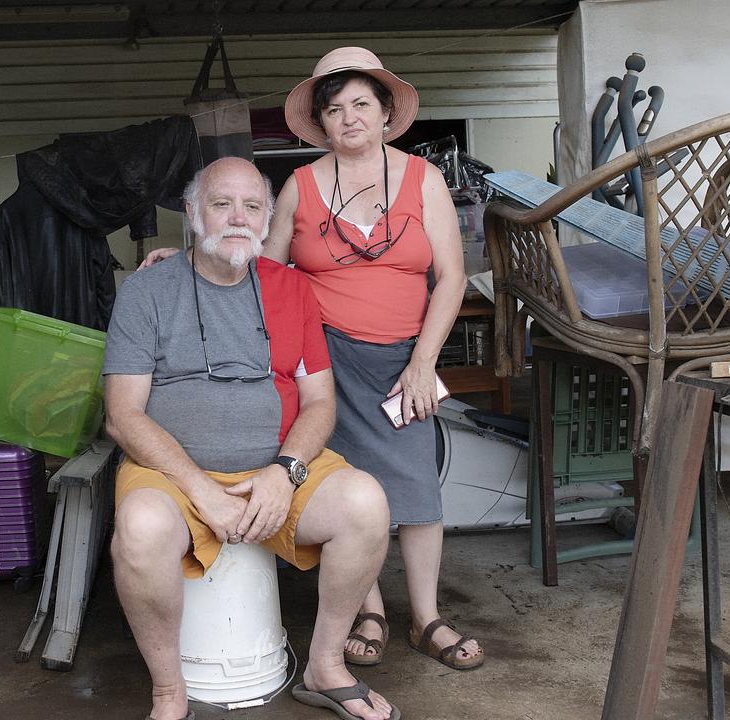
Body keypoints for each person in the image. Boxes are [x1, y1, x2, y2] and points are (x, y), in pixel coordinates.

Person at [143, 47, 482, 670]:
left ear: (386, 114)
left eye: (361, 105)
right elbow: (260, 268)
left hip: (403, 358)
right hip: (323, 363)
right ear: (321, 124)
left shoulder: (422, 179)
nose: (348, 118)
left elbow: (452, 278)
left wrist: (421, 361)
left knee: (416, 489)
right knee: (347, 485)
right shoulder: (300, 185)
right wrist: (187, 261)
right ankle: (371, 609)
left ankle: (427, 616)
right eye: (334, 110)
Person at [106, 156, 399, 720]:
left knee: (365, 503)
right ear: (192, 214)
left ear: (268, 220)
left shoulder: (292, 289)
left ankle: (324, 665)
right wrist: (199, 488)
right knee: (140, 529)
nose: (237, 217)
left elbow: (320, 402)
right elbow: (123, 416)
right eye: (221, 204)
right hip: (171, 473)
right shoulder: (146, 292)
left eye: (252, 205)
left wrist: (284, 471)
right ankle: (170, 693)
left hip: (274, 467)